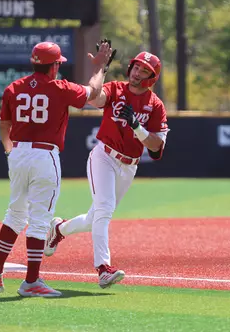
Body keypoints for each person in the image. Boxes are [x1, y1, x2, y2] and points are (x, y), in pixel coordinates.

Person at [0, 40, 113, 297]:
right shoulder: (59, 88)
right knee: (40, 218)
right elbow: (94, 92)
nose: (58, 68)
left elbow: (4, 125)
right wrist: (101, 68)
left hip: (18, 153)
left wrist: (10, 151)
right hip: (44, 155)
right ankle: (31, 282)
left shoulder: (13, 88)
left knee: (16, 213)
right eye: (57, 64)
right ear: (52, 67)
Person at [43, 50, 170, 289]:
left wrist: (137, 126)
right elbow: (93, 98)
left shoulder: (155, 104)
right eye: (136, 67)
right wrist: (99, 68)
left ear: (152, 77)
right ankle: (103, 268)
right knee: (105, 209)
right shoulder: (116, 89)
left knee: (94, 218)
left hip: (129, 165)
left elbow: (156, 147)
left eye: (144, 70)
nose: (137, 72)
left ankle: (59, 228)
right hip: (104, 156)